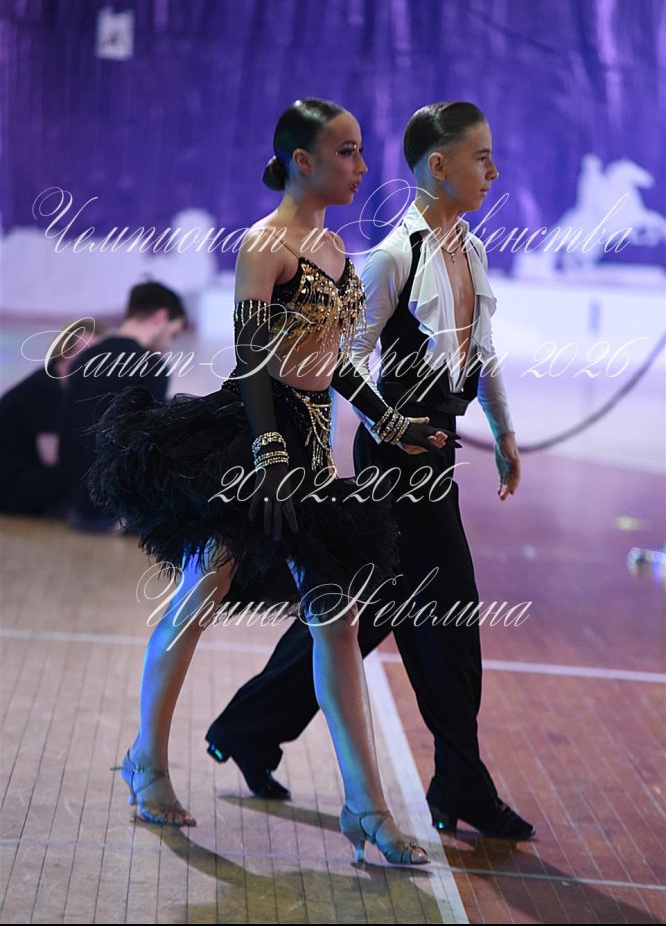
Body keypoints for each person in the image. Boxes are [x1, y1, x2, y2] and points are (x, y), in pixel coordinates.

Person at [87, 98, 454, 864]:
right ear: (302, 160)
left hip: (310, 448)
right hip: (253, 441)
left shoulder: (335, 248)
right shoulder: (265, 244)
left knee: (337, 621)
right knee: (202, 591)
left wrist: (389, 420)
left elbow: (332, 360)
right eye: (347, 152)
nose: (362, 167)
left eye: (360, 151)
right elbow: (255, 357)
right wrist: (270, 455)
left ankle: (366, 807)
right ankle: (145, 759)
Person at [204, 101, 535, 840]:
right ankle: (460, 782)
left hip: (432, 448)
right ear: (439, 166)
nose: (495, 171)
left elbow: (479, 352)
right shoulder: (391, 256)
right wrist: (379, 427)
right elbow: (341, 354)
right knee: (446, 613)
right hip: (396, 462)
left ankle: (248, 727)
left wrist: (503, 430)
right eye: (481, 157)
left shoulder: (471, 249)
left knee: (368, 612)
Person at [60, 281, 187, 532]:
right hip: (117, 510)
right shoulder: (150, 366)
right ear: (160, 317)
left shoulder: (85, 359)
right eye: (172, 334)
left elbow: (67, 432)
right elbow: (147, 446)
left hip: (75, 503)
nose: (167, 344)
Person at [0, 317, 100, 516]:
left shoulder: (56, 385)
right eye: (89, 352)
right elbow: (52, 457)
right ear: (66, 351)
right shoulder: (47, 388)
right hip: (10, 484)